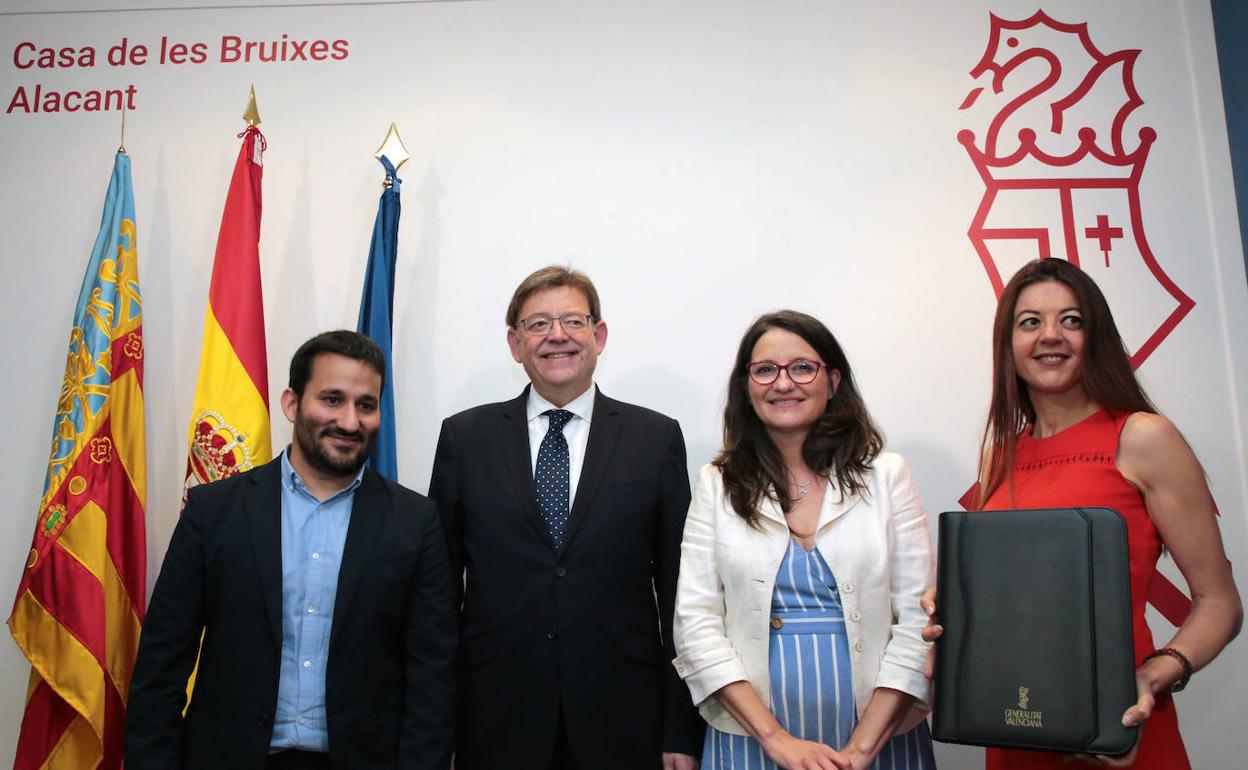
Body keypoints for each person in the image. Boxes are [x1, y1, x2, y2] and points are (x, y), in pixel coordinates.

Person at [925, 257, 1242, 769]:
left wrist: (1157, 672)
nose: (1051, 335)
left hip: (1119, 724)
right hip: (1010, 731)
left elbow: (1219, 603)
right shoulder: (999, 457)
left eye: (1071, 320)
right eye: (1031, 322)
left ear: (1096, 338)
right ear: (1007, 344)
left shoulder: (1143, 437)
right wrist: (955, 612)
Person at [126, 331, 457, 770]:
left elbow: (431, 676)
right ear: (291, 403)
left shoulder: (415, 523)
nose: (349, 421)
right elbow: (163, 659)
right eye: (332, 399)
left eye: (366, 405)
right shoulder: (215, 510)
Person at [428, 266, 704, 770]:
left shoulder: (655, 438)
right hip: (494, 719)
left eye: (573, 321)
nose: (557, 335)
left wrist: (679, 731)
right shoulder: (465, 439)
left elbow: (682, 592)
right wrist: (438, 732)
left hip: (624, 718)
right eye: (538, 324)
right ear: (515, 344)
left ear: (598, 336)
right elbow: (439, 596)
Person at [672, 310, 937, 770]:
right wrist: (774, 740)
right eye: (765, 370)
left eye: (802, 367)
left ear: (833, 380)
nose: (782, 383)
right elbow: (695, 625)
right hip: (751, 741)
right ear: (746, 385)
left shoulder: (887, 476)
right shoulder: (717, 483)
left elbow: (918, 623)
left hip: (881, 740)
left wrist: (861, 752)